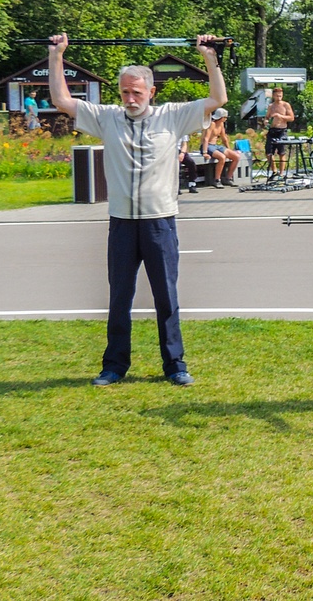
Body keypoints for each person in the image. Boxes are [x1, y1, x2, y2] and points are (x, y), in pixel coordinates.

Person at [46, 33, 227, 387]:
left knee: (166, 297)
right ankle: (114, 366)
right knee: (119, 297)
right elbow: (62, 100)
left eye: (137, 92)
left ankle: (175, 365)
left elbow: (218, 98)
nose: (130, 99)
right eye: (125, 92)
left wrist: (209, 57)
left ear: (151, 92)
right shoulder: (106, 118)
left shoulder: (173, 117)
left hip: (160, 222)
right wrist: (57, 55)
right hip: (122, 223)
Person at [202, 108, 241, 188]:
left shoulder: (221, 124)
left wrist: (229, 149)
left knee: (236, 157)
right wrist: (205, 152)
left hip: (216, 146)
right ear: (221, 117)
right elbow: (206, 138)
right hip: (208, 145)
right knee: (222, 157)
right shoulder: (212, 124)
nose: (226, 119)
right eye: (225, 117)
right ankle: (217, 180)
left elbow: (224, 138)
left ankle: (228, 178)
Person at [265, 87, 295, 177]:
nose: (279, 97)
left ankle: (282, 173)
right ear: (273, 96)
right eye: (277, 96)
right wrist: (266, 121)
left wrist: (281, 116)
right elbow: (267, 117)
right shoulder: (271, 106)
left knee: (281, 152)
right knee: (268, 152)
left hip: (281, 130)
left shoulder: (286, 105)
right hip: (272, 130)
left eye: (280, 96)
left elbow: (291, 118)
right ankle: (274, 171)